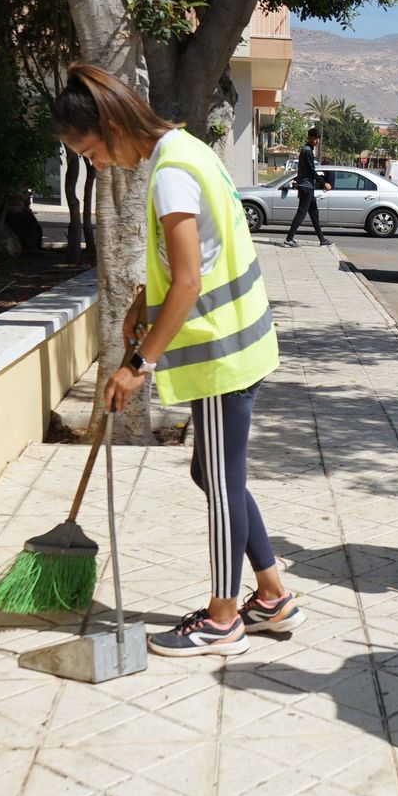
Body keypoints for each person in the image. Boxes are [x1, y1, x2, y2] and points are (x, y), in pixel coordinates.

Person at [54, 63, 305, 657]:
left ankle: (223, 620)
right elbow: (198, 258)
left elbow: (190, 282)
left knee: (220, 484)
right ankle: (271, 597)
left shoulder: (170, 174)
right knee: (212, 473)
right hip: (240, 342)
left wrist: (135, 364)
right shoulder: (187, 148)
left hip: (223, 352)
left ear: (111, 124)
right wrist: (146, 297)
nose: (92, 163)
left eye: (88, 150)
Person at [284, 127, 332, 247]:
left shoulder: (307, 150)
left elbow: (302, 171)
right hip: (306, 186)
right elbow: (310, 171)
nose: (316, 141)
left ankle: (322, 239)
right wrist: (323, 183)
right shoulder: (306, 151)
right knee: (301, 213)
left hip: (307, 186)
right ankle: (289, 239)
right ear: (309, 138)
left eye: (318, 139)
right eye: (314, 138)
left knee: (314, 213)